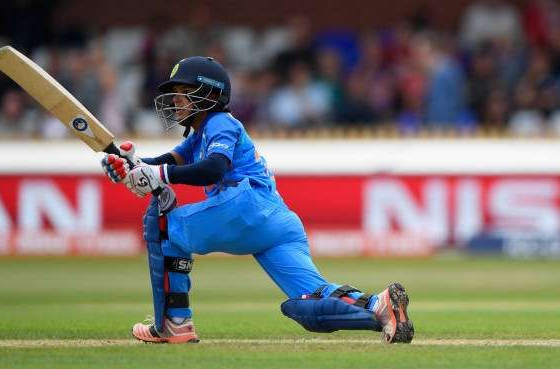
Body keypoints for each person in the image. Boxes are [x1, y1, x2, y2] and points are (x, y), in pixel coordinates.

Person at [100, 56, 414, 344]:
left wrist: (159, 176)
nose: (177, 100)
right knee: (310, 301)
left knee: (161, 224)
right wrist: (130, 163)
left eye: (185, 91)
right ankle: (380, 307)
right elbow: (167, 161)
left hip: (245, 206)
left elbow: (213, 169)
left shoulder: (220, 122)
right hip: (277, 220)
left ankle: (174, 322)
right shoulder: (199, 134)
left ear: (210, 94)